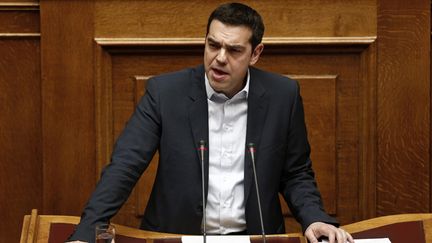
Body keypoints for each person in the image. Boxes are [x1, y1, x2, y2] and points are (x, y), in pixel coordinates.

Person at [67, 3, 354, 243]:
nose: (219, 58)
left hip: (254, 238)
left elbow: (296, 173)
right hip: (177, 236)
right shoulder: (165, 93)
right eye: (213, 45)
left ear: (255, 54)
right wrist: (87, 231)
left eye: (234, 50)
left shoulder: (283, 95)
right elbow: (125, 165)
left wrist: (314, 218)